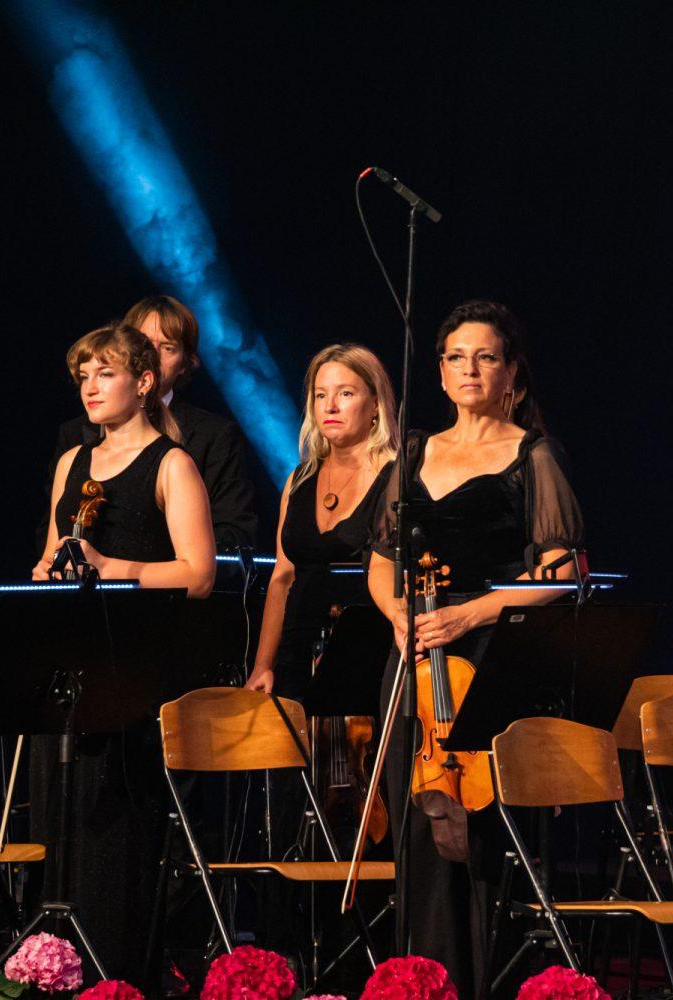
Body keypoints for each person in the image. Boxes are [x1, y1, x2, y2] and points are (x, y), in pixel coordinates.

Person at [367, 300, 583, 995]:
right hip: (414, 654)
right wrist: (397, 614)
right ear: (439, 371)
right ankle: (421, 981)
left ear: (511, 372)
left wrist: (472, 615)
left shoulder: (532, 454)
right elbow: (381, 562)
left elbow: (563, 572)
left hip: (488, 654)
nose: (470, 369)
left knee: (483, 831)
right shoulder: (414, 451)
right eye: (457, 357)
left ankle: (483, 982)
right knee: (417, 825)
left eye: (486, 357)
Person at [31, 321, 215, 983]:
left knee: (118, 834)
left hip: (134, 671)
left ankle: (116, 979)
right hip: (72, 666)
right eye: (83, 376)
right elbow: (50, 555)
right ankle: (56, 971)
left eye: (104, 374)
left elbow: (198, 574)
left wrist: (115, 568)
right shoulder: (71, 463)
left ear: (142, 383)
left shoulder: (171, 463)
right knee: (63, 818)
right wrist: (45, 572)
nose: (90, 387)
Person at [245, 343, 399, 700]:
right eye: (320, 395)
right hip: (295, 654)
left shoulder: (395, 476)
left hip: (365, 654)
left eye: (345, 394)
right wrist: (263, 664)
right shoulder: (298, 479)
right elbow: (282, 577)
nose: (330, 406)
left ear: (376, 403)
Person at [49, 295, 257, 550]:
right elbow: (54, 527)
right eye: (143, 343)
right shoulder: (73, 438)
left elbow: (232, 533)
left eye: (167, 348)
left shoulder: (213, 435)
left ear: (185, 362)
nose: (152, 356)